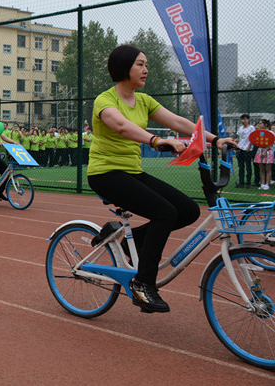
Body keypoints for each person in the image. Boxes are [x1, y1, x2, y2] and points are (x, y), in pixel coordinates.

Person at [88, 44, 235, 313]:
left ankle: (128, 242)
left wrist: (215, 140)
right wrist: (155, 140)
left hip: (132, 171)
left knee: (188, 211)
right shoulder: (105, 100)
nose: (146, 70)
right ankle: (143, 284)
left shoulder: (144, 101)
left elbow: (178, 122)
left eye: (146, 65)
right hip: (105, 173)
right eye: (140, 64)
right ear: (124, 68)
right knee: (164, 213)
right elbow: (121, 125)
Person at [235, 113, 256, 188]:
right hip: (240, 149)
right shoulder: (240, 128)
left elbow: (252, 138)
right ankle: (241, 182)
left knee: (248, 166)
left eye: (245, 119)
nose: (243, 121)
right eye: (242, 119)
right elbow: (239, 138)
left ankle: (248, 182)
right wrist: (235, 142)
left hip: (248, 150)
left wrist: (249, 147)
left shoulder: (251, 128)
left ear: (248, 119)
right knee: (241, 167)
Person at [253, 119, 274, 191]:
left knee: (268, 168)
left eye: (261, 123)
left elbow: (271, 142)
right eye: (259, 123)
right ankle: (262, 183)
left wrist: (265, 150)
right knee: (261, 168)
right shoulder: (259, 133)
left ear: (265, 125)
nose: (259, 125)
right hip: (260, 150)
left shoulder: (270, 132)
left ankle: (267, 184)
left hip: (268, 151)